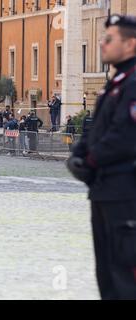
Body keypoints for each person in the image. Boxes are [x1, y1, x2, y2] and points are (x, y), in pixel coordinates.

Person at [67, 14, 136, 299]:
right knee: (107, 272)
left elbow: (125, 135)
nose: (102, 45)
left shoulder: (132, 83)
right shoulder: (117, 81)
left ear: (131, 44)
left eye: (109, 39)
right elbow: (96, 127)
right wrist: (78, 154)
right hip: (105, 191)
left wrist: (90, 161)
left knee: (125, 273)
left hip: (125, 192)